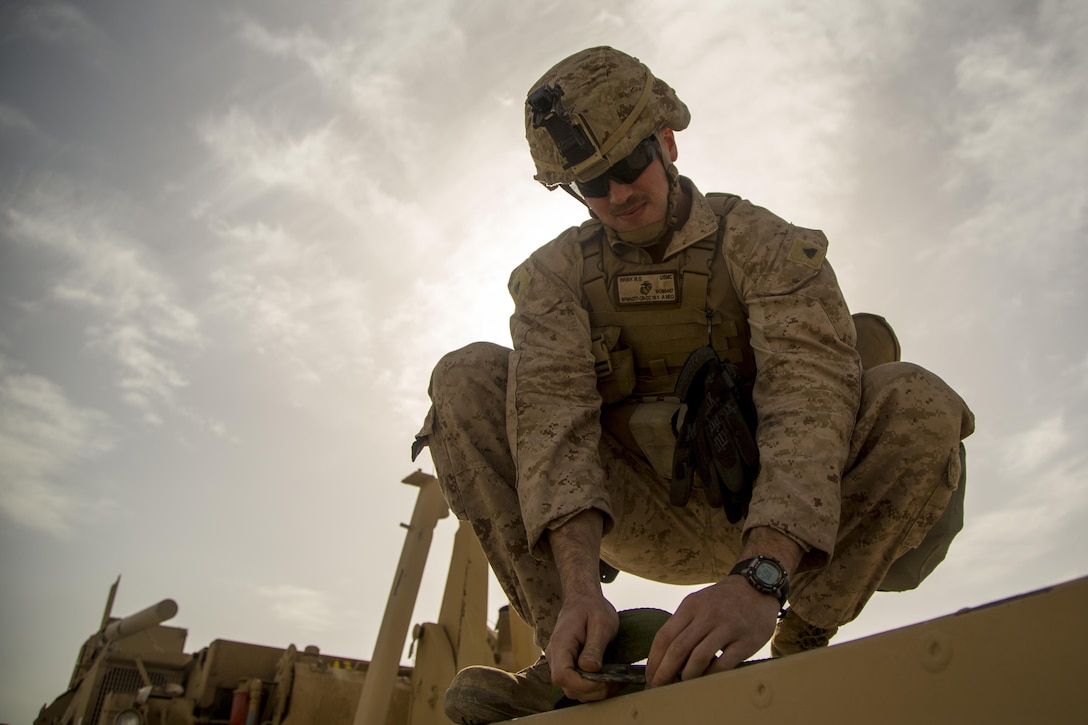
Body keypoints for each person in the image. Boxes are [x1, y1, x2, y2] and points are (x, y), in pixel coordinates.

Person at [413, 46, 974, 724]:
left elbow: (810, 405)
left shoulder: (765, 245)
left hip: (779, 524)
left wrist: (760, 576)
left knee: (919, 402)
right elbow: (551, 427)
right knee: (464, 378)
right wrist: (580, 589)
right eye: (593, 183)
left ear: (668, 142)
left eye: (628, 164)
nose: (618, 194)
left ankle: (802, 644)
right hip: (633, 511)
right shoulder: (554, 277)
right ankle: (571, 656)